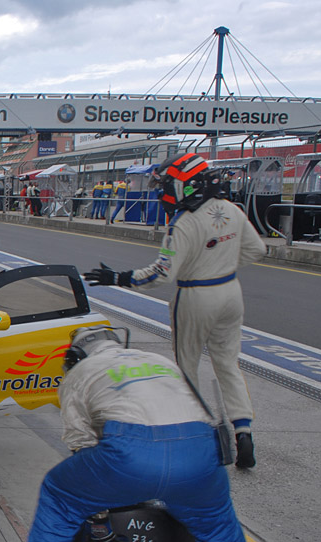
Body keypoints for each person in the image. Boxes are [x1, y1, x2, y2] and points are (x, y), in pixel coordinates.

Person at [2, 326, 264, 542]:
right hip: (198, 449)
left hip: (131, 452)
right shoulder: (159, 360)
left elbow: (80, 440)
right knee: (217, 527)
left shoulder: (81, 372)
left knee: (60, 495)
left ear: (76, 355)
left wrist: (98, 500)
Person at [83, 153, 267, 468]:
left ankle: (201, 436)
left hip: (196, 296)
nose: (165, 191)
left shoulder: (183, 222)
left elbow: (161, 274)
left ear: (188, 185)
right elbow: (257, 250)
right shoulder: (233, 210)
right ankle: (243, 432)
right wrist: (219, 265)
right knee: (228, 365)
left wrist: (119, 278)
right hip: (230, 292)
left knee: (187, 367)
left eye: (169, 184)